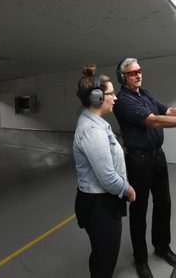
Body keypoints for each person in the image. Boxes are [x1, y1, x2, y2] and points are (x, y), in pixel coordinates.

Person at [113, 58, 176, 278]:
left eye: (139, 71)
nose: (138, 75)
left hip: (158, 158)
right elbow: (154, 121)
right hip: (138, 162)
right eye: (132, 73)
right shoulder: (123, 100)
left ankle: (162, 247)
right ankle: (140, 258)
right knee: (139, 211)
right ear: (123, 78)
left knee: (164, 204)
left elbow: (167, 110)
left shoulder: (146, 93)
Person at [73, 65, 136, 278]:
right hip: (99, 205)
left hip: (102, 201)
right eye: (110, 94)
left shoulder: (97, 124)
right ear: (98, 98)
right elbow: (107, 177)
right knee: (105, 260)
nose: (115, 98)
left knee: (101, 255)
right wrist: (127, 189)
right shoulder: (92, 130)